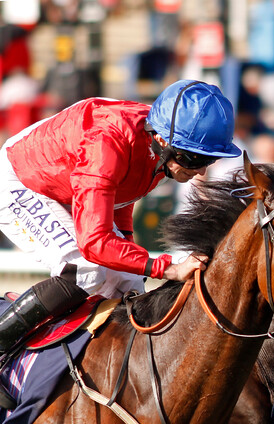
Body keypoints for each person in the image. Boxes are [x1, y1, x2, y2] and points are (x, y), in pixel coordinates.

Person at [0, 80, 241, 405]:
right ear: (164, 140)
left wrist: (129, 251)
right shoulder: (109, 142)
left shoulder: (157, 145)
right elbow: (95, 243)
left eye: (207, 162)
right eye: (195, 160)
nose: (199, 173)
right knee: (85, 270)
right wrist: (166, 268)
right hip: (23, 180)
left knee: (129, 285)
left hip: (70, 183)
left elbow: (123, 196)